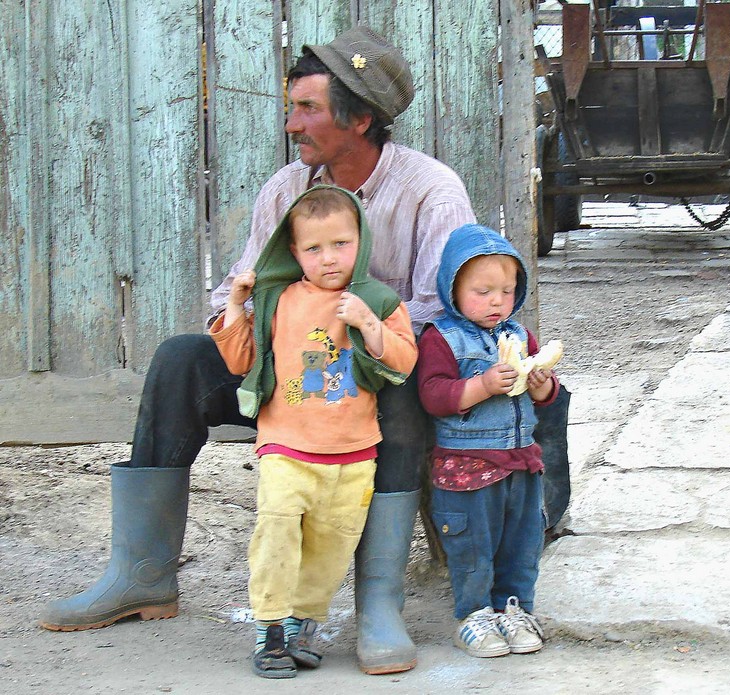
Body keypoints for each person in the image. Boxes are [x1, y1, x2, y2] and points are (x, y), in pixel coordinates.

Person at [40, 26, 476, 676]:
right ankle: (142, 574)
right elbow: (232, 287)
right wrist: (252, 317)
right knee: (180, 360)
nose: (292, 122)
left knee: (405, 385)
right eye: (291, 105)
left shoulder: (430, 190)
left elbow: (441, 315)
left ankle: (379, 604)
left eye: (308, 108)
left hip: (370, 388)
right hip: (286, 388)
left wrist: (348, 331)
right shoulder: (286, 188)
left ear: (360, 119)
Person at [212, 185, 418, 678]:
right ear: (293, 251)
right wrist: (237, 305)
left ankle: (304, 626)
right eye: (314, 248)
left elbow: (404, 362)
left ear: (361, 242)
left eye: (341, 244)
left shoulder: (378, 301)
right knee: (278, 530)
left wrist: (369, 324)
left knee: (332, 545)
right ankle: (270, 631)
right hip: (285, 445)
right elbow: (240, 359)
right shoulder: (277, 299)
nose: (329, 259)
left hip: (353, 453)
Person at [417, 224, 558, 658]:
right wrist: (482, 385)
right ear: (453, 289)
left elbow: (546, 398)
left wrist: (540, 383)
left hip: (520, 461)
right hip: (467, 468)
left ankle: (513, 608)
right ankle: (474, 613)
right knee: (473, 545)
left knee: (523, 538)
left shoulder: (519, 336)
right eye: (482, 291)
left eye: (507, 290)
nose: (497, 301)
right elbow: (434, 395)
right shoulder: (441, 338)